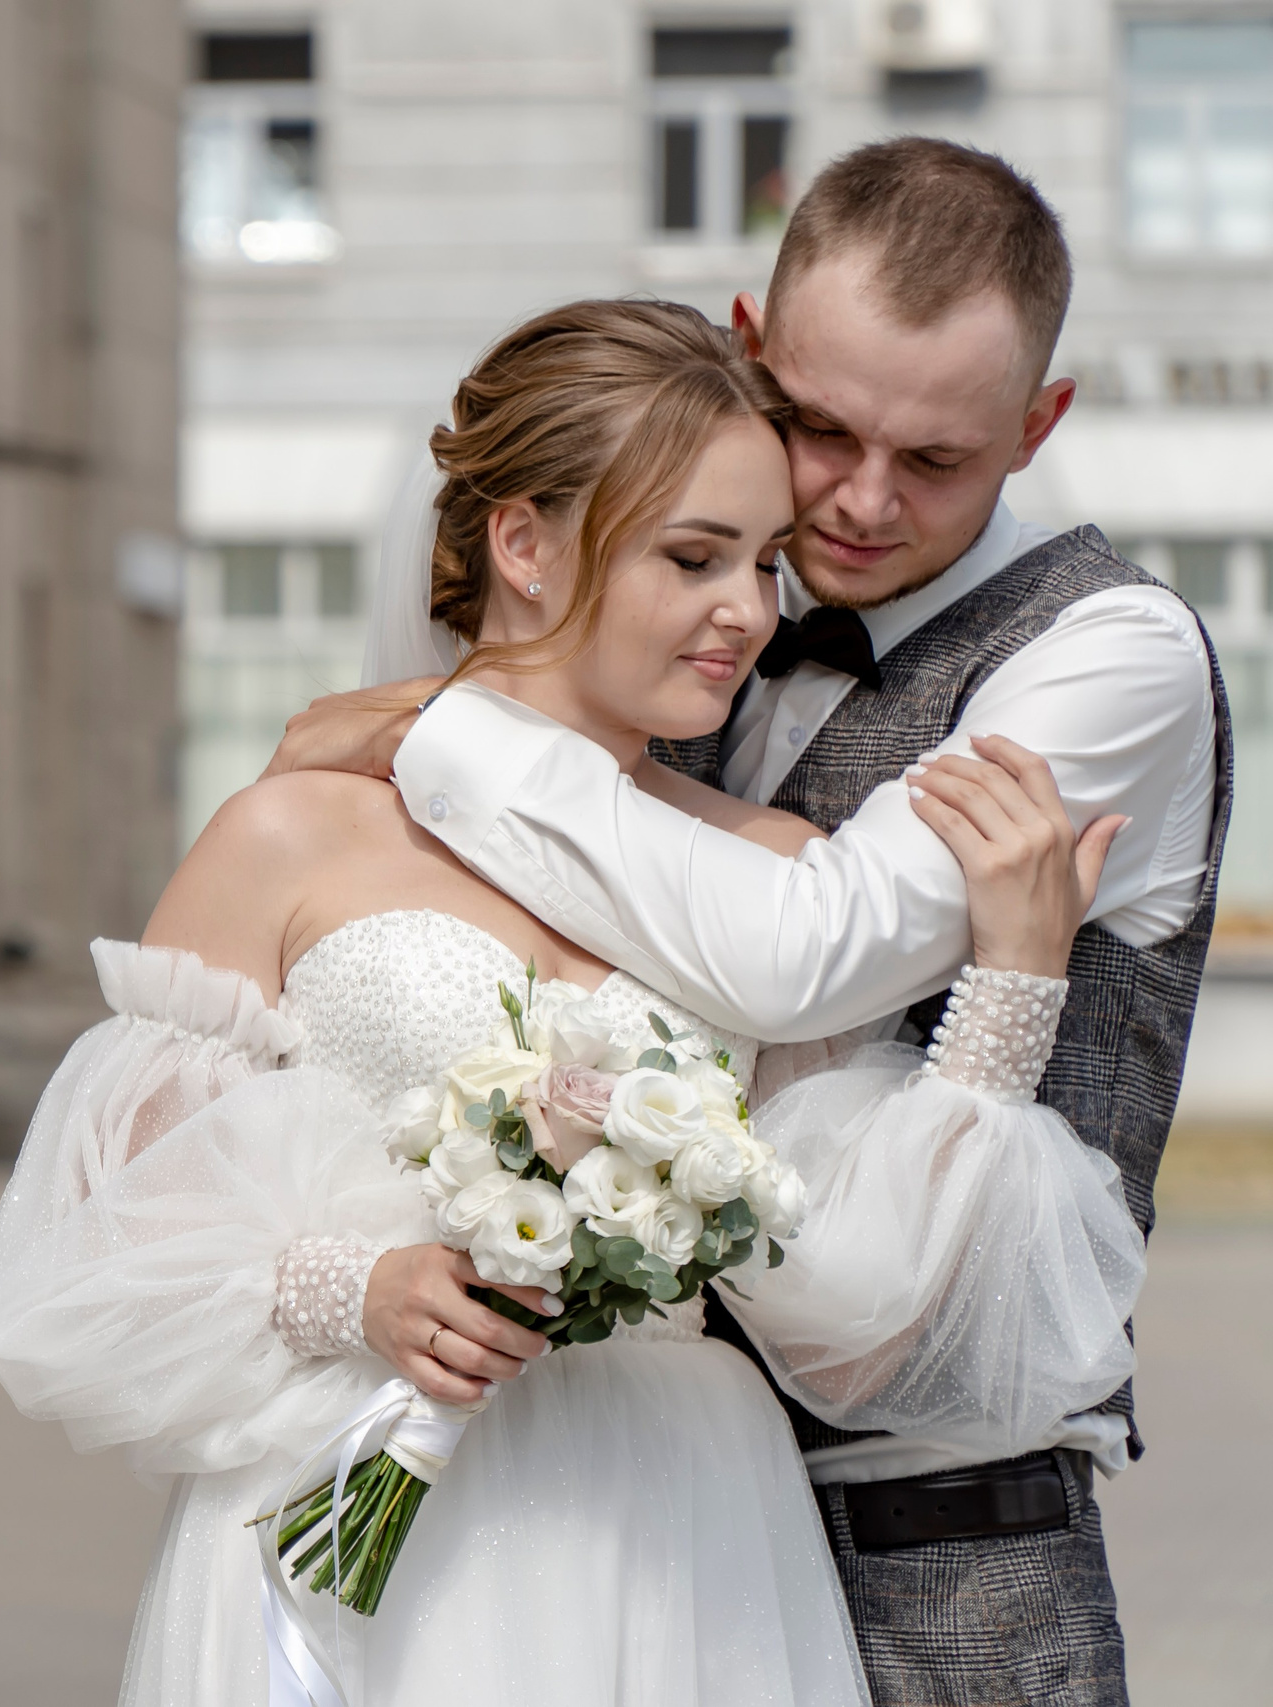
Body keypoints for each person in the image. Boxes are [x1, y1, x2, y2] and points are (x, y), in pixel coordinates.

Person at [0, 298, 1143, 1707]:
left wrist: (1010, 992)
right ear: (523, 544)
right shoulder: (291, 833)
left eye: (766, 562)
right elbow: (112, 1236)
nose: (748, 612)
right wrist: (356, 1289)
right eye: (694, 557)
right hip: (360, 1507)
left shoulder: (773, 881)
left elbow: (865, 1329)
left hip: (683, 1530)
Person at [267, 140, 1228, 1707]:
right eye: (822, 427)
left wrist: (451, 729)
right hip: (633, 1524)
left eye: (936, 459)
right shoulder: (695, 637)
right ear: (748, 344)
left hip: (946, 1555)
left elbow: (800, 959)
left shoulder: (1113, 656)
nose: (861, 499)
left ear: (1040, 424)